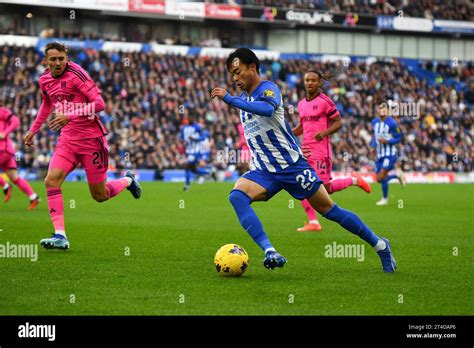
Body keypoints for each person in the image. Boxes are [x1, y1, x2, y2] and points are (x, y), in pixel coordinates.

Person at [211, 48, 396, 272]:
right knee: (237, 196)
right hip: (265, 171)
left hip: (292, 167)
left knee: (330, 210)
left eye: (238, 72)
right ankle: (270, 251)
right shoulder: (243, 100)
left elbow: (268, 111)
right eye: (232, 74)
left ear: (253, 67)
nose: (235, 78)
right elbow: (282, 127)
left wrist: (229, 99)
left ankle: (380, 245)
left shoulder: (268, 89)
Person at [23, 42, 141, 251]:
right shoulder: (44, 81)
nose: (58, 63)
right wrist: (33, 130)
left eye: (61, 58)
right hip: (67, 141)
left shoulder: (77, 74)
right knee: (51, 181)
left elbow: (100, 103)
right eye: (53, 59)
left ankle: (127, 180)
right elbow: (47, 104)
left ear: (66, 58)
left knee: (99, 195)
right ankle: (60, 235)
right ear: (46, 61)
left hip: (92, 141)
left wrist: (69, 115)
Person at [292, 69, 371, 232]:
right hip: (305, 150)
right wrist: (287, 133)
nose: (310, 83)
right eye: (307, 80)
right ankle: (313, 222)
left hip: (321, 151)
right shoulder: (301, 104)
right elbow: (302, 126)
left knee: (325, 189)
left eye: (313, 80)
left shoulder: (325, 102)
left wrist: (325, 133)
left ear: (319, 82)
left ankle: (355, 180)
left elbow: (339, 122)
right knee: (303, 184)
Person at [0, 102, 39, 209]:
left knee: (12, 179)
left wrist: (5, 133)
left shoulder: (2, 111)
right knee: (14, 177)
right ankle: (33, 197)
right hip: (6, 151)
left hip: (3, 149)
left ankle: (6, 186)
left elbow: (16, 121)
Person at [371, 102, 406, 206]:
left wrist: (387, 141)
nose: (382, 110)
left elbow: (399, 138)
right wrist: (373, 147)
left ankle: (385, 199)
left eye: (384, 109)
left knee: (382, 176)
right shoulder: (374, 122)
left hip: (390, 153)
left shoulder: (392, 123)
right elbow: (374, 136)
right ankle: (397, 175)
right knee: (378, 179)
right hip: (379, 153)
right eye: (380, 108)